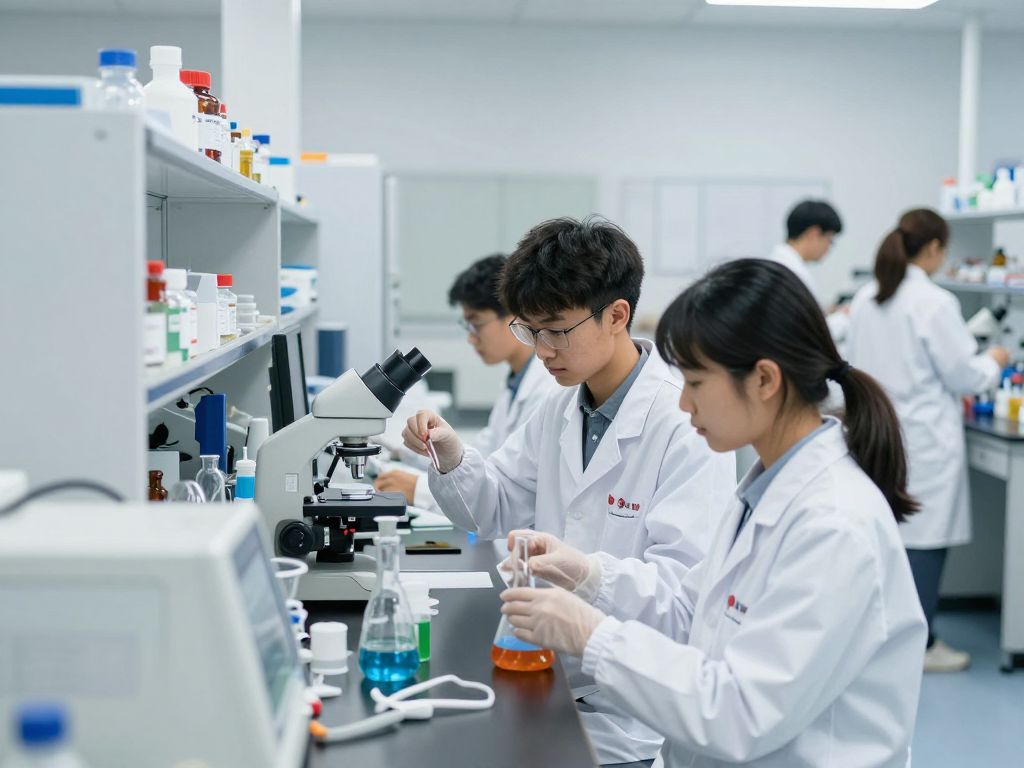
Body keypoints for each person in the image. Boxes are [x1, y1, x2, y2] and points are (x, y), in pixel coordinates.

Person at [499, 258, 927, 768]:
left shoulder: (834, 525)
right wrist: (589, 573)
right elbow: (688, 614)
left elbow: (740, 713)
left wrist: (590, 636)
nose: (683, 405)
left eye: (696, 383)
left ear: (765, 380)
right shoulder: (765, 492)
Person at [402, 216, 736, 765]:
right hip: (552, 678)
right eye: (529, 330)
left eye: (556, 329)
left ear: (616, 316)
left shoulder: (683, 423)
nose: (541, 349)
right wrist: (453, 457)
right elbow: (492, 509)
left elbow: (683, 601)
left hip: (631, 711)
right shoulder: (557, 408)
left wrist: (587, 574)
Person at [847, 208, 1010, 673]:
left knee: (888, 538)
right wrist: (995, 358)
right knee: (925, 541)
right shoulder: (934, 302)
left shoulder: (867, 298)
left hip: (876, 433)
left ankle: (884, 638)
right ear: (935, 248)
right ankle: (920, 645)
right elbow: (964, 375)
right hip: (924, 440)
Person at [374, 254, 560, 510]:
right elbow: (483, 455)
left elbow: (511, 492)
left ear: (514, 316)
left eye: (476, 324)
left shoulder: (547, 389)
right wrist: (407, 451)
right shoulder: (516, 382)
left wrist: (417, 488)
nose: (472, 339)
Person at [766, 199, 849, 342]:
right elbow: (811, 335)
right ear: (813, 233)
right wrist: (845, 317)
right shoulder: (793, 273)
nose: (828, 248)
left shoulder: (779, 262)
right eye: (829, 240)